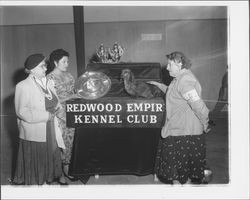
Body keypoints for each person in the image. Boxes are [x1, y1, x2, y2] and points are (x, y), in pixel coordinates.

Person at [148, 51, 210, 184]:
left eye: (170, 64)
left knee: (179, 176)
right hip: (180, 131)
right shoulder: (179, 79)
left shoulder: (185, 80)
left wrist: (205, 124)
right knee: (179, 174)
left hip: (184, 134)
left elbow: (198, 105)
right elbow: (176, 94)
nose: (167, 67)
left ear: (179, 63)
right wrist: (160, 86)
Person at [13, 53, 67, 185]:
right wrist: (46, 116)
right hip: (35, 128)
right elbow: (22, 111)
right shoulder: (22, 86)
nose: (45, 69)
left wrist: (58, 107)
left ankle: (52, 176)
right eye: (42, 66)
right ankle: (38, 181)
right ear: (33, 69)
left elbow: (54, 100)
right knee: (39, 155)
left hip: (51, 125)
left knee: (54, 151)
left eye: (45, 66)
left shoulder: (48, 82)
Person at [47, 49, 79, 182]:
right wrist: (73, 95)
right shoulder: (49, 78)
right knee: (64, 141)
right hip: (59, 113)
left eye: (68, 61)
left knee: (73, 139)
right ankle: (63, 170)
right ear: (55, 62)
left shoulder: (69, 75)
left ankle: (71, 165)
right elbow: (52, 101)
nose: (67, 64)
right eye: (64, 61)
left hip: (73, 110)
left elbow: (75, 91)